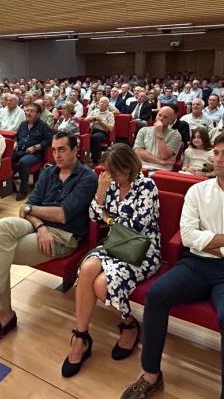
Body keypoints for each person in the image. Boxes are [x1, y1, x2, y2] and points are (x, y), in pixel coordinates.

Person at [120, 133, 224, 399]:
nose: (217, 159)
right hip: (197, 265)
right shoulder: (197, 191)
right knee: (156, 295)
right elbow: (188, 237)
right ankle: (151, 374)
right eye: (215, 153)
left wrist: (209, 243)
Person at [0, 132, 97, 346]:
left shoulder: (87, 177)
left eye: (62, 149)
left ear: (75, 150)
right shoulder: (48, 173)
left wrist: (30, 210)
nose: (57, 155)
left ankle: (2, 316)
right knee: (2, 225)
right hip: (39, 227)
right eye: (53, 150)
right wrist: (40, 225)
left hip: (63, 236)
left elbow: (62, 214)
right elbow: (28, 206)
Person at [63, 144, 161, 377]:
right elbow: (92, 215)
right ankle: (81, 337)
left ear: (129, 167)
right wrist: (100, 193)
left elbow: (137, 226)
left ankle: (129, 324)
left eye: (115, 172)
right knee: (87, 268)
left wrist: (107, 217)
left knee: (101, 285)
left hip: (142, 249)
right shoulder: (109, 185)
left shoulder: (147, 186)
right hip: (115, 244)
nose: (111, 176)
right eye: (108, 171)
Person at [12, 103, 53, 200]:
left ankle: (23, 190)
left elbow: (49, 141)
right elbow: (17, 137)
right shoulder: (23, 124)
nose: (28, 113)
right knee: (7, 158)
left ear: (38, 114)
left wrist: (35, 147)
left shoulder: (44, 126)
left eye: (32, 111)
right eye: (27, 111)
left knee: (23, 162)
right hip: (20, 150)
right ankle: (9, 185)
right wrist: (15, 142)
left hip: (35, 153)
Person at [133, 106, 182, 172]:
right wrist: (159, 161)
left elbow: (163, 156)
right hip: (142, 167)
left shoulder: (175, 135)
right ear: (156, 116)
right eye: (159, 115)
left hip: (162, 170)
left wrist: (159, 133)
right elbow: (138, 152)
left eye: (165, 117)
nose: (161, 118)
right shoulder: (143, 130)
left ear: (171, 121)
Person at [87, 96, 115, 165]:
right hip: (91, 130)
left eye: (104, 102)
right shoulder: (94, 111)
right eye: (101, 102)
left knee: (95, 137)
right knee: (82, 136)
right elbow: (85, 121)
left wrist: (100, 121)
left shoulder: (110, 114)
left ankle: (95, 160)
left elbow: (110, 128)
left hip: (102, 132)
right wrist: (90, 119)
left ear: (107, 105)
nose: (102, 104)